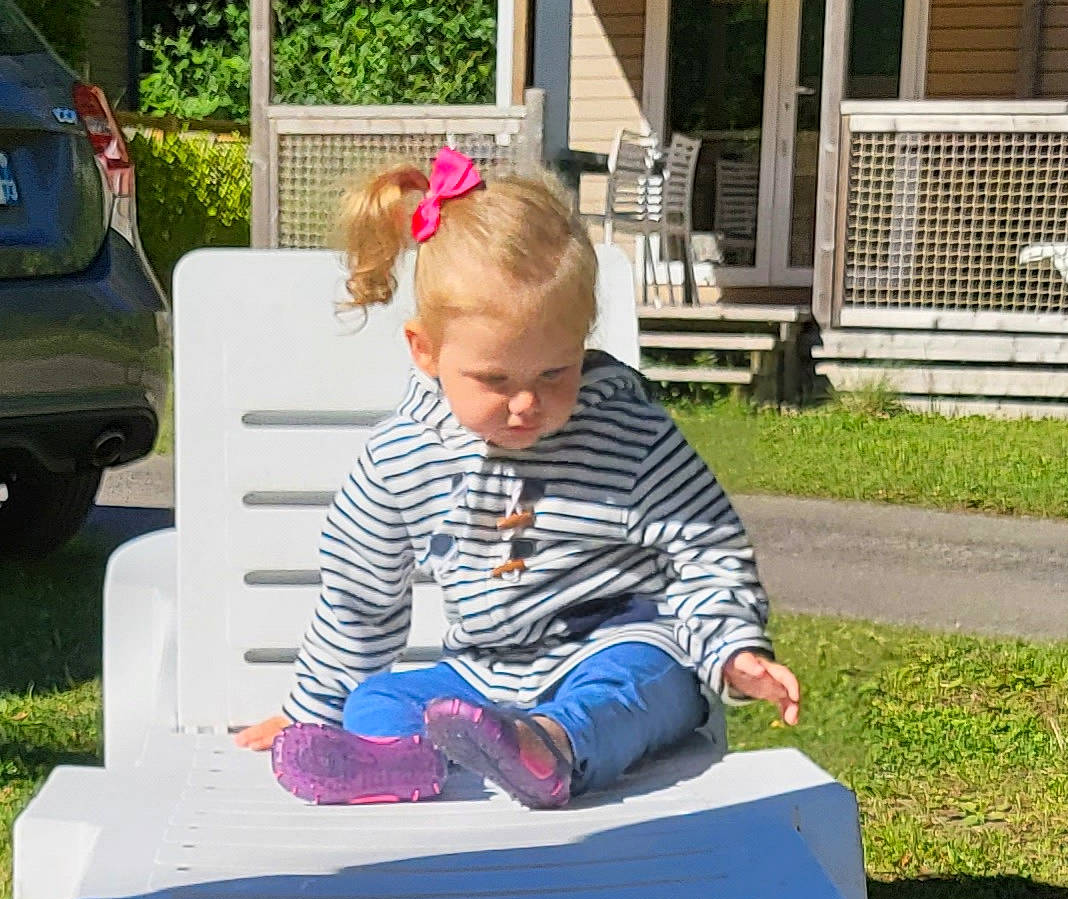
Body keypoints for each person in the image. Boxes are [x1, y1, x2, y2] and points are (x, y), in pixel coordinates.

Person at [235, 147, 799, 808]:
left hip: (620, 645)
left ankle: (552, 744)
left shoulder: (630, 434)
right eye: (495, 380)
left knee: (641, 686)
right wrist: (312, 711)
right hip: (489, 673)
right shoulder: (402, 460)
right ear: (426, 351)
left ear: (582, 340)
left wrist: (731, 646)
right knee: (377, 698)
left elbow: (704, 546)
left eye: (555, 373)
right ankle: (395, 762)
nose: (527, 402)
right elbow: (361, 597)